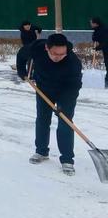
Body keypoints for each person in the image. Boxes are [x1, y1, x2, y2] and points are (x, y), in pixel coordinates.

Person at [17, 33, 82, 175]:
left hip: (66, 91)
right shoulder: (37, 48)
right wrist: (21, 71)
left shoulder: (73, 62)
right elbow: (21, 55)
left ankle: (67, 160)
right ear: (47, 48)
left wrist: (64, 106)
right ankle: (41, 152)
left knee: (65, 122)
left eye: (62, 54)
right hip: (43, 89)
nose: (59, 57)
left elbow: (74, 85)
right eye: (55, 54)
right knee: (42, 119)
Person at [90, 17, 108, 89]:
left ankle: (107, 83)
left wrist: (97, 48)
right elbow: (95, 38)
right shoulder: (98, 30)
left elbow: (105, 42)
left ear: (95, 23)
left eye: (91, 23)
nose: (90, 24)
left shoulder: (103, 30)